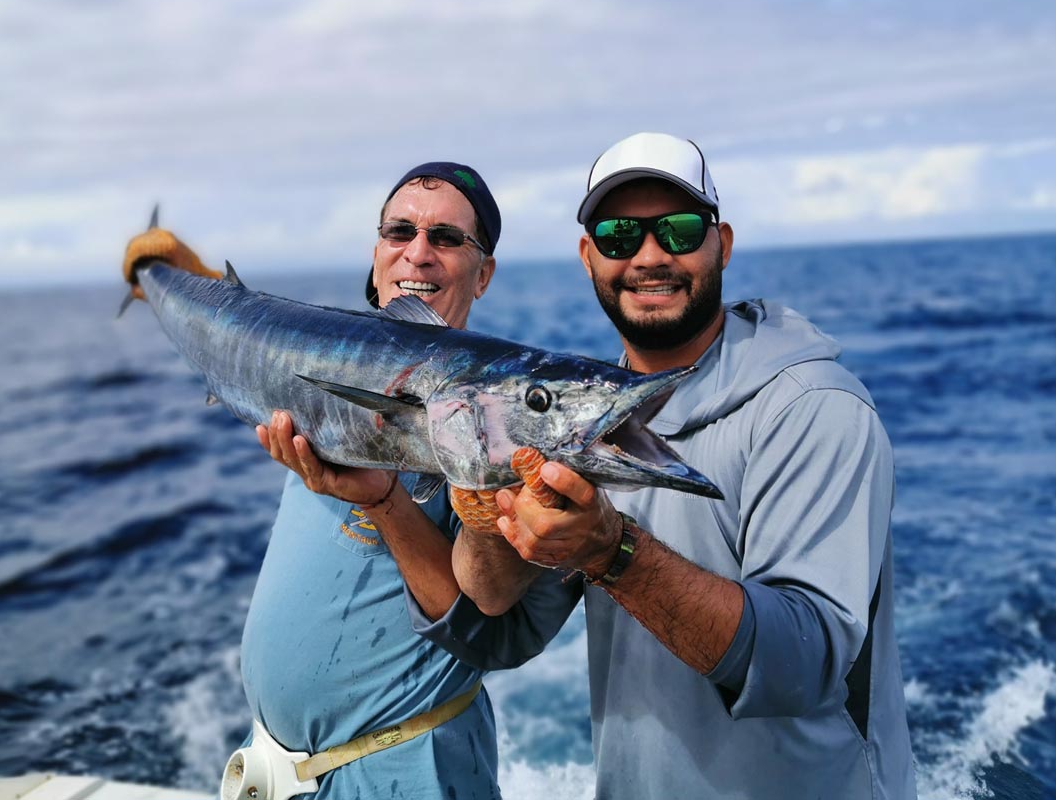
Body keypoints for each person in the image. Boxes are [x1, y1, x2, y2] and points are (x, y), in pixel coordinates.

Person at [424, 133, 918, 799]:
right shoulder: (573, 421)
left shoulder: (816, 408)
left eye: (680, 230)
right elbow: (504, 632)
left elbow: (803, 664)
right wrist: (481, 510)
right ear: (588, 257)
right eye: (620, 234)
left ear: (723, 243)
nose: (650, 256)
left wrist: (612, 551)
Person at [122, 163, 560, 799]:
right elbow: (262, 332)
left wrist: (386, 501)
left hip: (402, 770)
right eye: (399, 231)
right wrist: (169, 278)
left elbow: (484, 624)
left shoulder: (498, 424)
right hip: (280, 770)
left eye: (446, 238)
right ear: (377, 252)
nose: (418, 252)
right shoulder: (330, 361)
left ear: (484, 272)